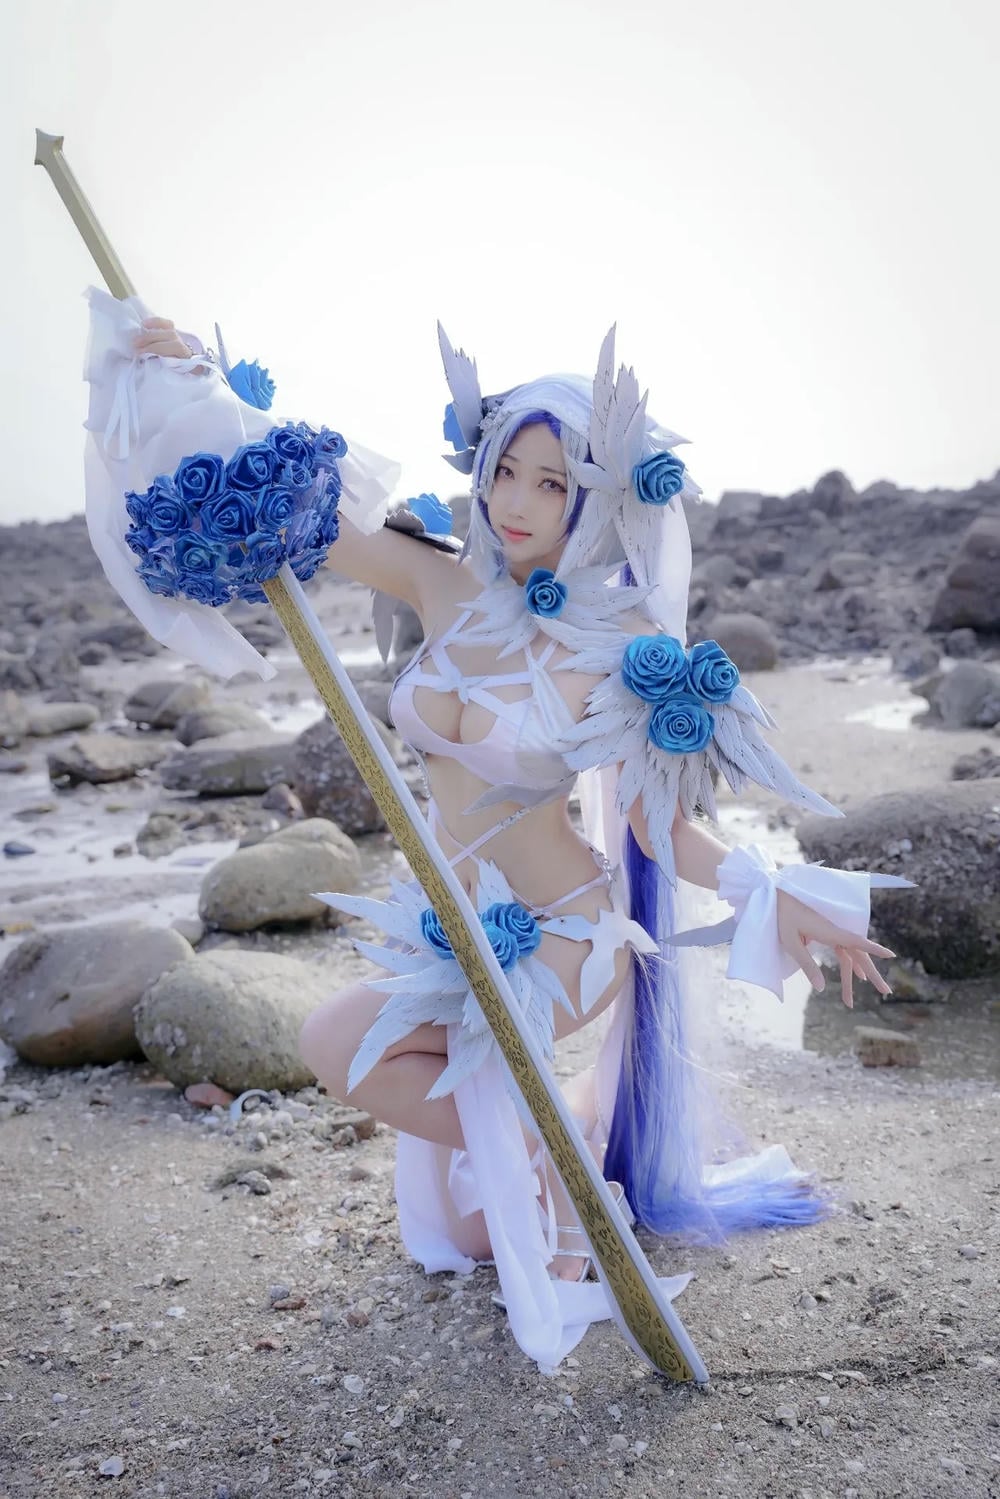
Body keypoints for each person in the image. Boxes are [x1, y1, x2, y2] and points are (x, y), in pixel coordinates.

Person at [129, 315, 901, 1369]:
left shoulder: (621, 646)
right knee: (472, 1232)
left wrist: (777, 890)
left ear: (598, 498)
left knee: (333, 1042)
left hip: (567, 933)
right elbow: (299, 508)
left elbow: (657, 826)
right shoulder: (443, 582)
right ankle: (561, 1136)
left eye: (552, 482)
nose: (517, 501)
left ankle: (558, 1141)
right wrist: (191, 379)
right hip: (453, 927)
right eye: (505, 471)